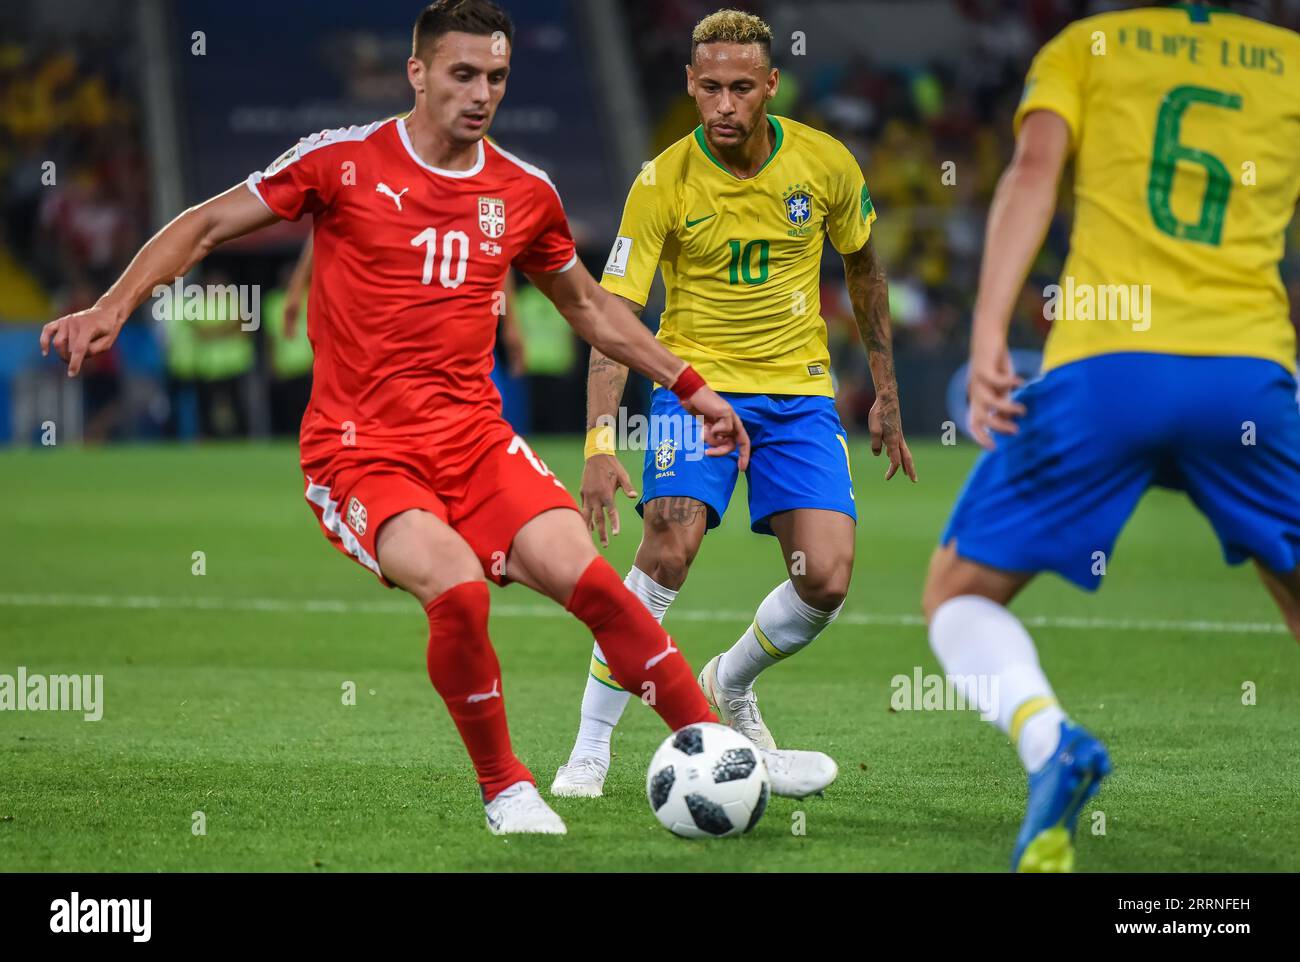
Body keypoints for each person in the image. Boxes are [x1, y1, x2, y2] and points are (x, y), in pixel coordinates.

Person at [41, 0, 836, 834]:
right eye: (462, 74)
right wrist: (112, 306)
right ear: (417, 73)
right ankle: (506, 788)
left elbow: (591, 310)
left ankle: (718, 753)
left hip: (478, 443)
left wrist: (690, 385)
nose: (481, 93)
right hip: (361, 453)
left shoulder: (524, 192)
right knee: (458, 592)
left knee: (599, 587)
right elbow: (205, 227)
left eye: (496, 76)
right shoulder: (341, 162)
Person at [922, 1, 1300, 871]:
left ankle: (1050, 742)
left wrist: (987, 335)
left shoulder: (1087, 47)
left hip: (1107, 367)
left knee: (959, 596)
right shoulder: (1285, 59)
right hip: (1244, 370)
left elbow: (1032, 169)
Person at [552, 9, 913, 798]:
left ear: (770, 87)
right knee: (668, 546)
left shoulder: (825, 165)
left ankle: (731, 680)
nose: (722, 104)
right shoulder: (662, 181)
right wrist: (599, 444)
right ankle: (590, 745)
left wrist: (884, 394)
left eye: (740, 88)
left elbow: (864, 271)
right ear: (689, 82)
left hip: (799, 392)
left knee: (826, 576)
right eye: (709, 86)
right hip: (695, 389)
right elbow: (613, 316)